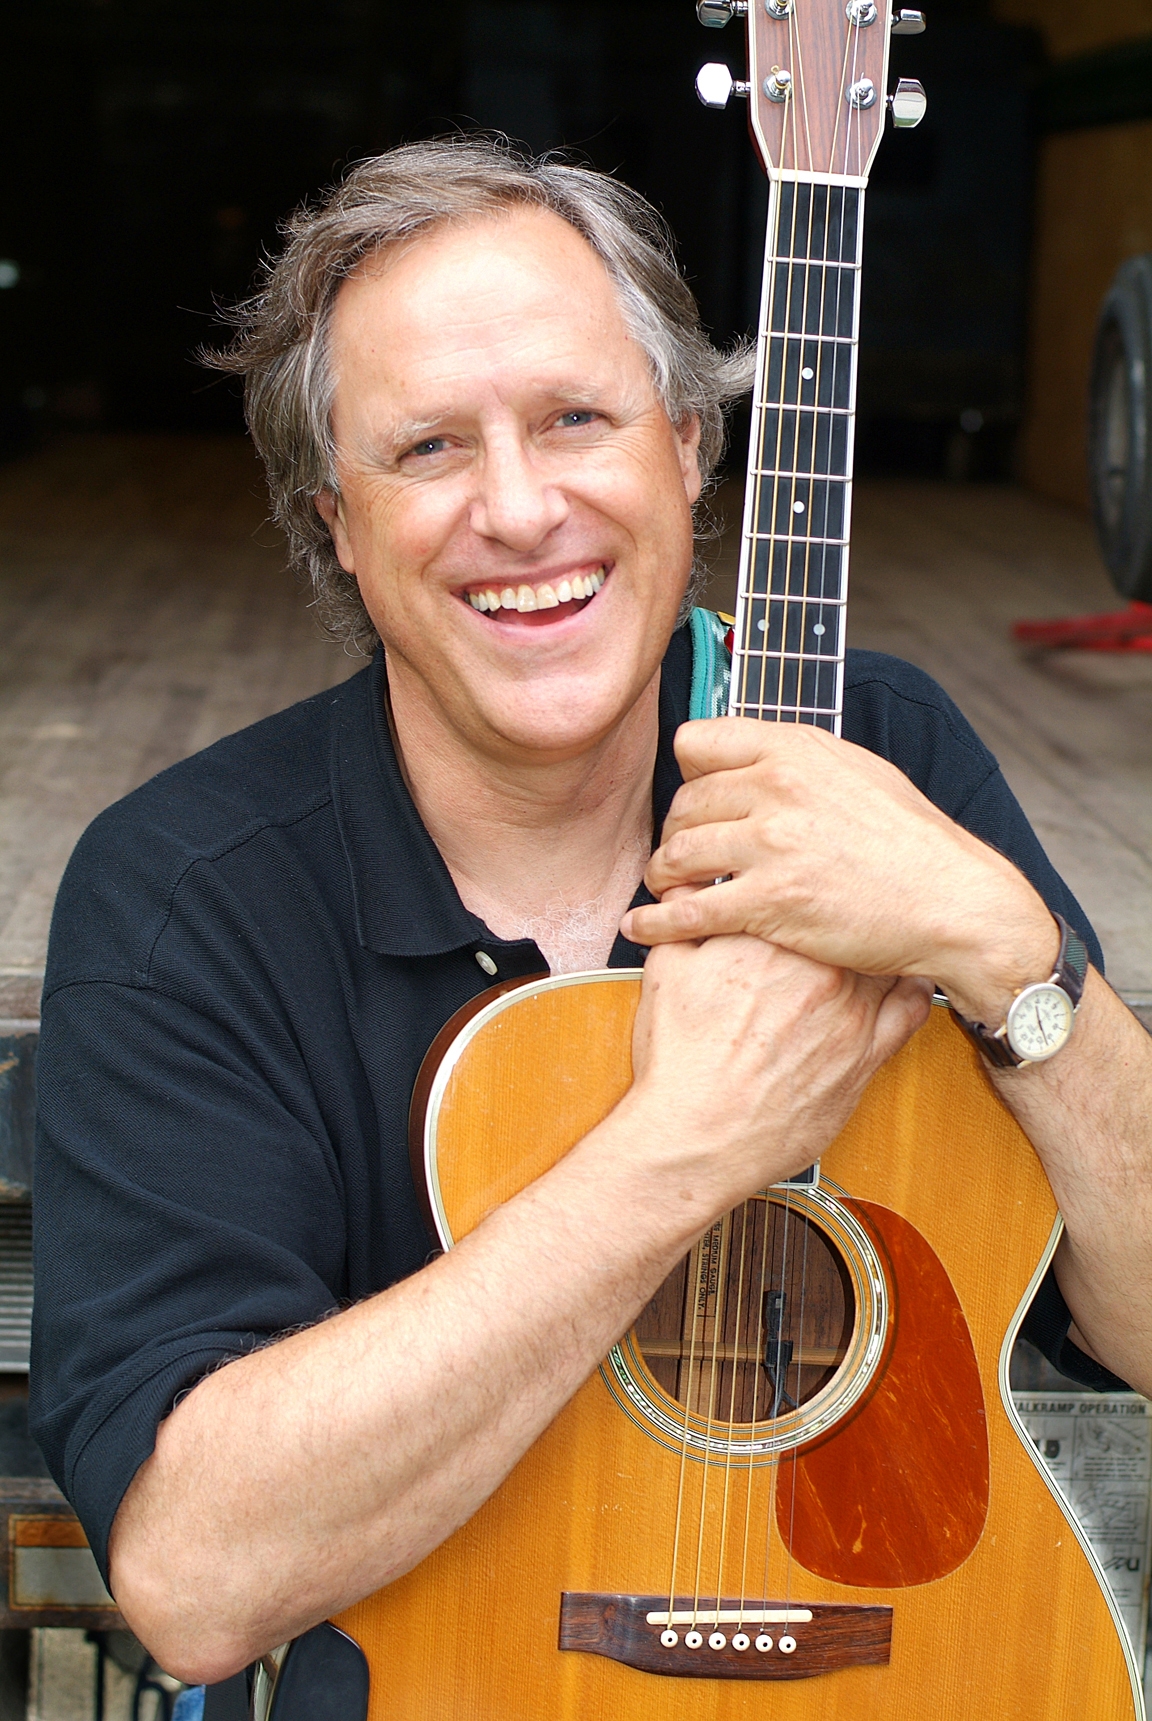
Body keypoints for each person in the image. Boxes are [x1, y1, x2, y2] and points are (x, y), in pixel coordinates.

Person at [29, 138, 1152, 1686]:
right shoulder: (190, 895)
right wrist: (684, 1147)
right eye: (429, 446)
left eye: (575, 417)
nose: (518, 507)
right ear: (338, 521)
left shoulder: (880, 760)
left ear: (686, 445)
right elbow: (195, 1581)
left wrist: (1011, 950)